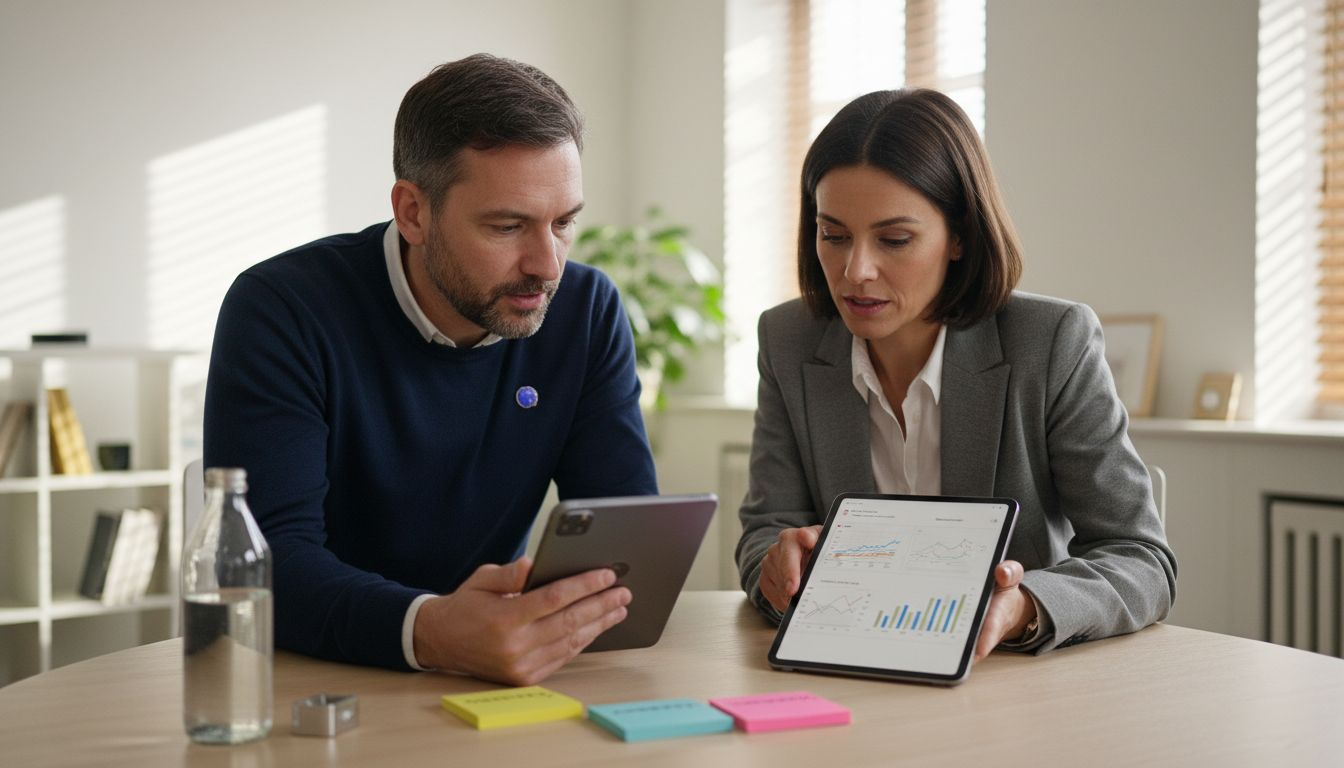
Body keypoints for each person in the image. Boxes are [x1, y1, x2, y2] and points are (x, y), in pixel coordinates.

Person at [203, 54, 657, 685]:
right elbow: (262, 562)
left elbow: (626, 537)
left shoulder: (584, 309)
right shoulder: (282, 309)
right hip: (312, 675)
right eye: (507, 226)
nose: (547, 264)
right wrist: (432, 628)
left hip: (497, 674)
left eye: (565, 223)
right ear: (413, 212)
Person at [736, 89, 1176, 659]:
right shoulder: (787, 339)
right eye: (833, 234)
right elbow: (764, 532)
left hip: (1016, 686)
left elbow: (1141, 559)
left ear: (961, 237)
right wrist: (779, 569)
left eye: (894, 239)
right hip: (848, 670)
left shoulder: (1051, 341)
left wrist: (1025, 608)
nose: (855, 270)